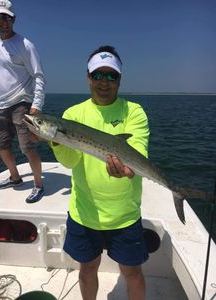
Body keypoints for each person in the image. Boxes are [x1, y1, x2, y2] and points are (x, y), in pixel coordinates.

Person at [50, 45, 150, 300]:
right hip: (84, 213)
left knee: (132, 272)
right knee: (87, 268)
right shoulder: (73, 114)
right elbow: (71, 162)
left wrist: (127, 170)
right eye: (98, 75)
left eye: (111, 76)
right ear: (88, 77)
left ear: (119, 79)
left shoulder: (134, 111)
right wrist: (56, 141)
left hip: (124, 215)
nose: (104, 82)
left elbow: (139, 152)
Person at [0, 0, 45, 203]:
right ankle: (15, 177)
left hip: (23, 102)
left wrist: (36, 106)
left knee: (28, 147)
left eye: (8, 17)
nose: (4, 21)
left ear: (14, 19)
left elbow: (39, 76)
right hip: (1, 104)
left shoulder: (25, 45)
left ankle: (39, 185)